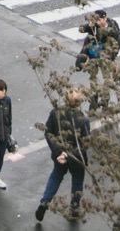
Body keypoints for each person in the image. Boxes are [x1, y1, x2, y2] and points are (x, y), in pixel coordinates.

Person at [36, 89, 91, 222]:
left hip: (59, 154)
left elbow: (49, 134)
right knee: (77, 180)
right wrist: (68, 154)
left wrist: (58, 152)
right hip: (76, 158)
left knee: (55, 177)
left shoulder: (55, 113)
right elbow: (84, 144)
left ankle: (45, 201)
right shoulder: (83, 120)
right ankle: (74, 205)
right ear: (79, 103)